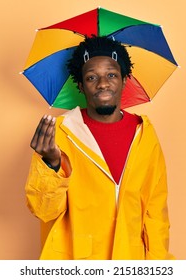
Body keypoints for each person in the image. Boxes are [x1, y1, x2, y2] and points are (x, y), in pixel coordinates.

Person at [25, 36, 174, 260]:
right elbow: (44, 210)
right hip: (75, 258)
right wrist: (51, 163)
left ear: (125, 80)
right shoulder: (60, 133)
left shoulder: (144, 133)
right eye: (92, 77)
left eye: (111, 75)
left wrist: (160, 266)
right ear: (81, 85)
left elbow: (156, 213)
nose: (103, 83)